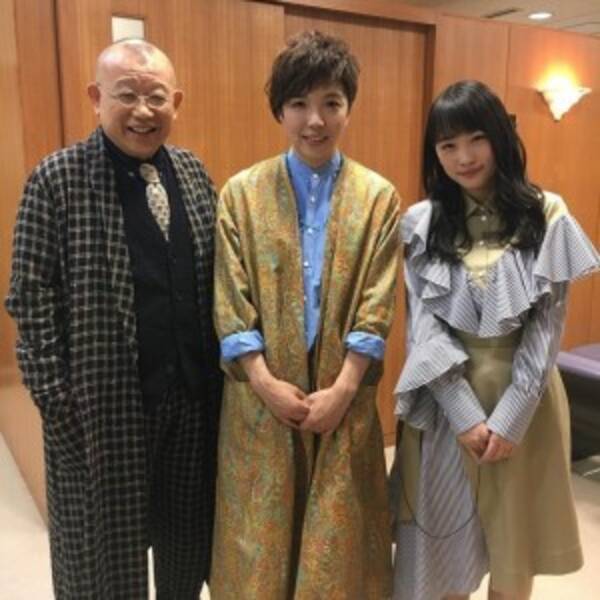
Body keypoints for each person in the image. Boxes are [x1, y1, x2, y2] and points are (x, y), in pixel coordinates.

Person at [5, 39, 222, 599]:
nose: (142, 111)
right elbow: (29, 296)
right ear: (96, 98)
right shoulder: (57, 178)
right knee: (104, 565)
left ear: (176, 102)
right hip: (100, 411)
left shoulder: (192, 172)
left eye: (156, 97)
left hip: (191, 405)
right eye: (126, 95)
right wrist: (58, 401)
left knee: (185, 551)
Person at [390, 79, 600, 600]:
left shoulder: (547, 213)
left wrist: (510, 418)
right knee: (442, 558)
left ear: (500, 138)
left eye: (476, 139)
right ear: (434, 153)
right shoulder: (421, 221)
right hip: (447, 402)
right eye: (448, 145)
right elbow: (424, 328)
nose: (463, 157)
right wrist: (465, 415)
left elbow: (546, 329)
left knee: (513, 556)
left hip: (525, 406)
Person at [210, 30, 400, 599]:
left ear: (349, 107)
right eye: (299, 103)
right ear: (280, 110)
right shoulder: (241, 193)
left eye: (331, 103)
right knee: (259, 545)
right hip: (262, 399)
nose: (315, 120)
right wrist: (265, 383)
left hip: (342, 398)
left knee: (337, 545)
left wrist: (343, 389)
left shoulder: (378, 197)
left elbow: (377, 303)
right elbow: (231, 299)